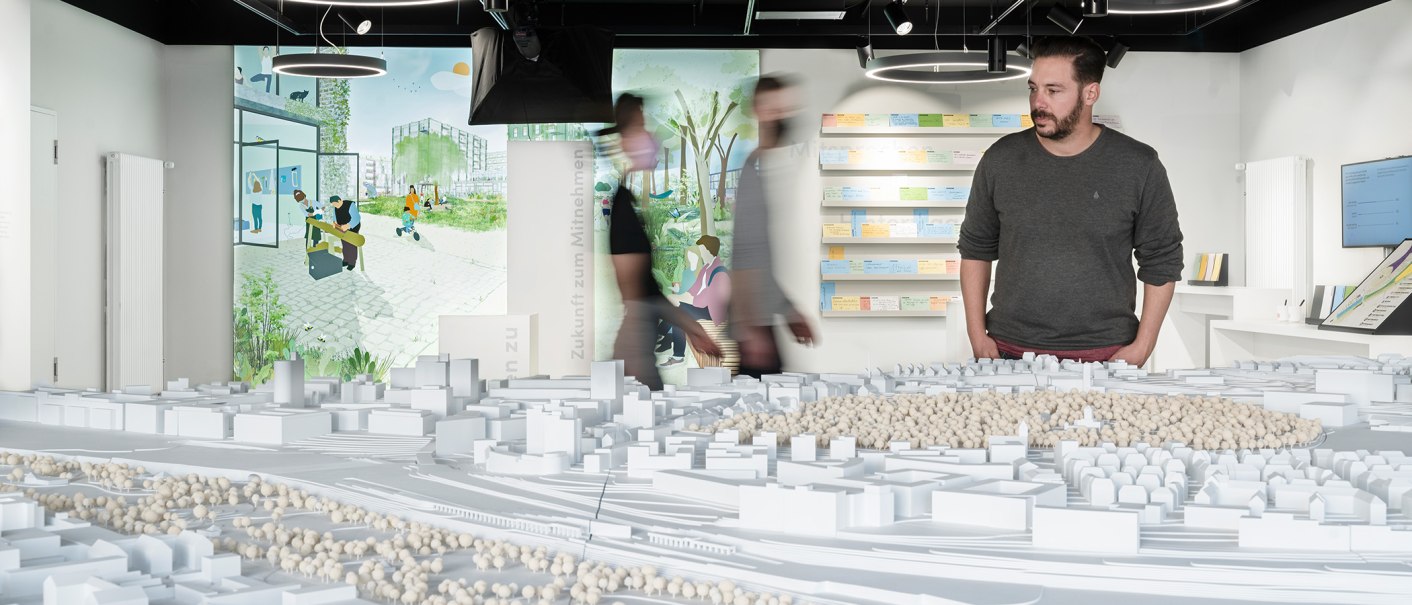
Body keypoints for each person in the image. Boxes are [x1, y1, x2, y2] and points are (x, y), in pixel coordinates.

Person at [958, 36, 1184, 366]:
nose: (1038, 102)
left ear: (1090, 93)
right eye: (1033, 88)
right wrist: (977, 335)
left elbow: (1162, 260)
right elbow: (975, 250)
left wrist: (1143, 346)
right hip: (1010, 352)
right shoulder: (1000, 160)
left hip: (1108, 354)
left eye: (1054, 90)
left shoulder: (1139, 164)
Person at [607, 93, 721, 390]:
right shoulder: (622, 204)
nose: (650, 136)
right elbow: (638, 294)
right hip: (635, 348)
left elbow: (646, 291)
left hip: (639, 342)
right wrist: (692, 327)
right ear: (627, 141)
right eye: (642, 127)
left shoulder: (628, 201)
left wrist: (692, 328)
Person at [730, 75, 816, 378]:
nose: (780, 116)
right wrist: (752, 329)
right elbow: (745, 255)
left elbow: (763, 260)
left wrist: (789, 309)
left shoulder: (767, 165)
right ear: (757, 111)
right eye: (772, 109)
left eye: (783, 109)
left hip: (763, 323)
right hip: (756, 329)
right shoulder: (754, 169)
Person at [659, 235, 729, 367]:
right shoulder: (706, 269)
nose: (701, 254)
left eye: (702, 250)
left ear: (709, 251)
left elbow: (707, 299)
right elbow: (694, 289)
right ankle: (673, 349)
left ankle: (676, 353)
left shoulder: (719, 271)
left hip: (712, 312)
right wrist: (680, 297)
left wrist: (682, 300)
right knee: (676, 309)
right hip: (702, 307)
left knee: (680, 313)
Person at [329, 195, 362, 271]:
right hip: (342, 228)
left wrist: (348, 225)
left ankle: (352, 263)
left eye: (335, 204)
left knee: (351, 245)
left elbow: (357, 217)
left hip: (353, 227)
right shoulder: (335, 207)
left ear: (340, 201)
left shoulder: (350, 205)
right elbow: (335, 217)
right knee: (344, 244)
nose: (335, 206)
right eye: (333, 205)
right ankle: (346, 260)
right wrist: (334, 223)